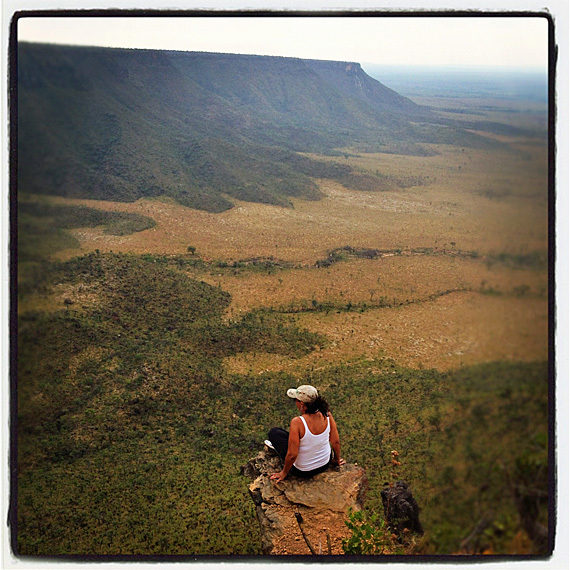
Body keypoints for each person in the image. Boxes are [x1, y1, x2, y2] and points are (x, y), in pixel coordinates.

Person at [266, 384, 345, 483]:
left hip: (303, 471)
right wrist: (336, 460)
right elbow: (335, 441)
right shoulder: (326, 414)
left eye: (296, 400)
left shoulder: (298, 422)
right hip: (325, 463)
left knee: (275, 433)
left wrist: (284, 473)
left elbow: (292, 455)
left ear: (302, 404)